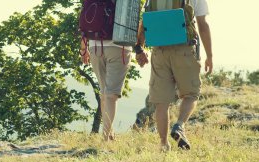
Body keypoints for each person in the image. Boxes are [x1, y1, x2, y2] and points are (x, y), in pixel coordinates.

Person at [135, 0, 213, 151]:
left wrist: (139, 48)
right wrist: (209, 56)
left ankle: (164, 144)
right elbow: (203, 25)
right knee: (191, 94)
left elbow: (145, 23)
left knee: (161, 102)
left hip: (159, 51)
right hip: (184, 49)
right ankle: (179, 126)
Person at [80, 0, 132, 141]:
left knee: (104, 92)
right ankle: (105, 137)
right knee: (111, 95)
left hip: (94, 46)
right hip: (119, 47)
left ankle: (109, 132)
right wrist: (139, 47)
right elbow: (133, 15)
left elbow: (86, 16)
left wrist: (84, 46)